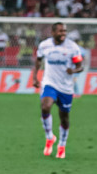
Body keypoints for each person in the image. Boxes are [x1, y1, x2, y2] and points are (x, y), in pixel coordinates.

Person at [32, 22, 83, 159]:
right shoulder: (44, 45)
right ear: (53, 32)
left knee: (64, 118)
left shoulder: (72, 47)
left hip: (66, 87)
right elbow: (38, 60)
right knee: (45, 106)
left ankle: (62, 144)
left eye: (64, 31)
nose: (63, 34)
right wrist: (35, 78)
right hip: (50, 83)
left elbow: (80, 66)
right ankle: (49, 137)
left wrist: (74, 70)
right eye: (60, 31)